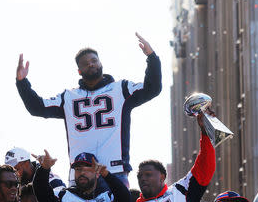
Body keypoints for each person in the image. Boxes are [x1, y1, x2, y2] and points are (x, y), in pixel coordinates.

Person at [15, 33, 162, 187]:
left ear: (101, 64)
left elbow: (152, 89)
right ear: (79, 71)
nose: (91, 64)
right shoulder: (69, 97)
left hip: (114, 170)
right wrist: (22, 82)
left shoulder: (121, 89)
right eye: (85, 63)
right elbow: (37, 108)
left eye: (94, 60)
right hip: (81, 174)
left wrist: (151, 57)